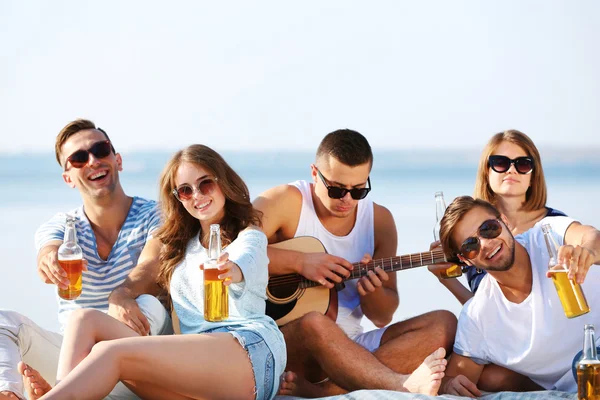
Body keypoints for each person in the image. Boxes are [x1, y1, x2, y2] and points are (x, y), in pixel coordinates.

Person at [22, 144, 286, 400]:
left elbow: (248, 257)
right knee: (83, 319)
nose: (197, 195)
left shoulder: (247, 235)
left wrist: (233, 269)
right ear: (178, 199)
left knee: (109, 353)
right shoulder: (180, 246)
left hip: (248, 354)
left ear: (223, 182)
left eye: (205, 183)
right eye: (185, 190)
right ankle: (61, 391)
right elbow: (146, 267)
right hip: (195, 372)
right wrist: (120, 294)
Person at [253, 129, 455, 398]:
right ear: (315, 173)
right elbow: (227, 251)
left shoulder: (379, 221)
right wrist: (300, 262)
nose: (347, 200)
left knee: (445, 323)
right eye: (336, 190)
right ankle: (397, 384)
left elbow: (381, 317)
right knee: (314, 322)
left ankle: (323, 391)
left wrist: (371, 293)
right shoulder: (285, 201)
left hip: (352, 346)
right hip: (286, 345)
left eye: (358, 190)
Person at [0, 119, 172, 400]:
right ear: (68, 178)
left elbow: (151, 264)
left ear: (117, 160)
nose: (93, 161)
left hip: (140, 362)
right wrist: (49, 259)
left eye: (100, 150)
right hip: (74, 360)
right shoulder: (63, 225)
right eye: (79, 158)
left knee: (149, 304)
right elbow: (49, 248)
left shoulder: (157, 215)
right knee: (4, 323)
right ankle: (9, 395)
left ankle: (59, 392)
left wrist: (122, 294)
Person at [437, 195, 600, 397]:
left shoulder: (547, 234)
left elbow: (591, 236)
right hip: (578, 386)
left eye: (488, 228)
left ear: (505, 221)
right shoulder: (477, 316)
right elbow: (454, 381)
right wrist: (448, 386)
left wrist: (588, 252)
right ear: (465, 260)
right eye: (471, 246)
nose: (486, 244)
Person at [429, 129, 566, 305]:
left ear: (533, 175)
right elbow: (484, 312)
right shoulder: (473, 240)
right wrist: (446, 279)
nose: (511, 170)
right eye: (500, 163)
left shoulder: (555, 225)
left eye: (523, 164)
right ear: (487, 172)